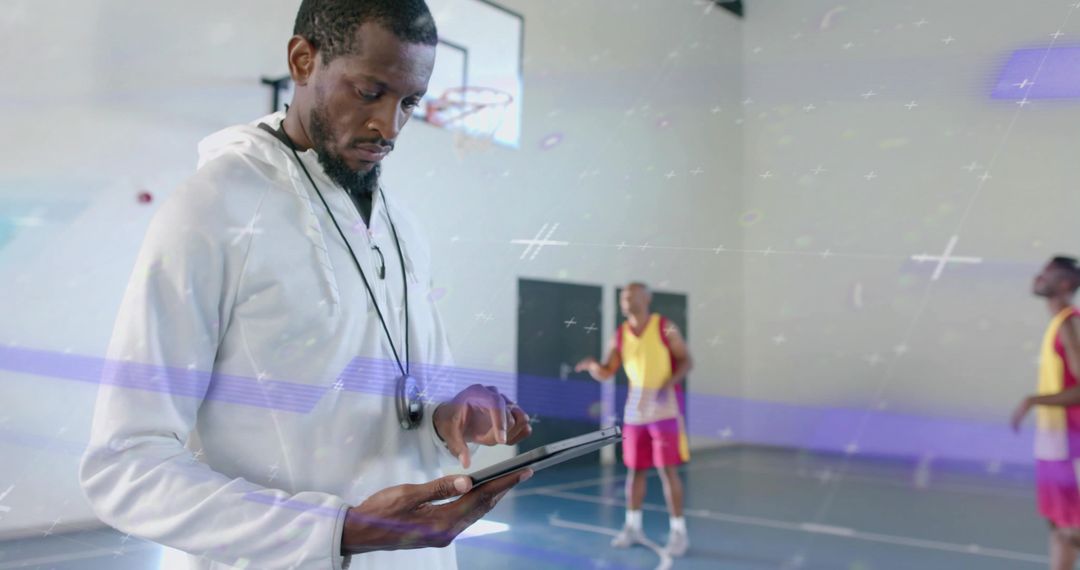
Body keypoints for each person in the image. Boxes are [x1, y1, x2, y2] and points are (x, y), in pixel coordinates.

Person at [78, 2, 532, 569]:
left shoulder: (402, 225)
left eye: (409, 103)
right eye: (370, 93)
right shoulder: (214, 209)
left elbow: (400, 402)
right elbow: (126, 466)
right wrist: (337, 531)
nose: (389, 127)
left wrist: (449, 417)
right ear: (302, 60)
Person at [575, 282, 693, 557]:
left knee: (667, 472)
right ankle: (633, 527)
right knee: (634, 471)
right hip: (635, 414)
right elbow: (607, 371)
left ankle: (679, 532)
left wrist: (669, 384)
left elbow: (685, 361)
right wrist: (593, 367)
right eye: (622, 297)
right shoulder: (619, 335)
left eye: (630, 295)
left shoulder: (665, 327)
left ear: (646, 298)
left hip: (664, 412)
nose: (625, 300)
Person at [1013, 256, 1080, 570]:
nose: (1039, 277)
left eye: (1047, 274)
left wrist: (1032, 400)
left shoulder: (1070, 322)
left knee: (1073, 529)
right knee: (1059, 526)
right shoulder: (1058, 323)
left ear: (1064, 284)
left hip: (1072, 443)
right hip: (1054, 442)